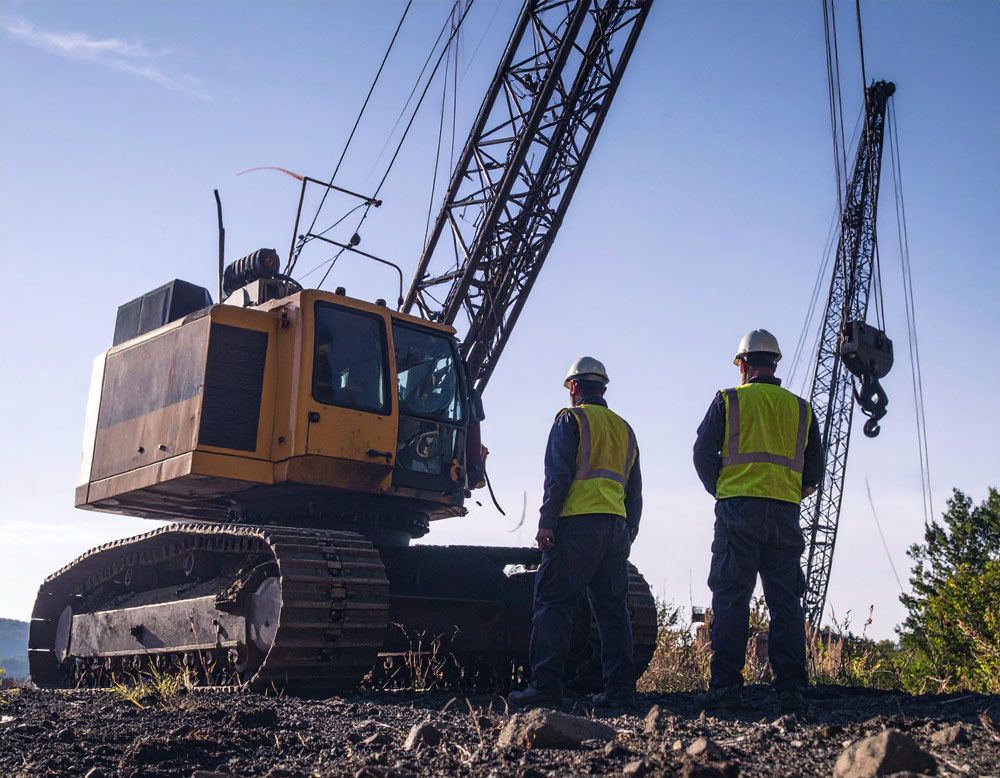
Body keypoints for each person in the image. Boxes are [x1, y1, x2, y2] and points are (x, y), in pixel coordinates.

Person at [692, 329, 823, 714]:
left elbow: (702, 453)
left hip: (738, 511)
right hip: (784, 513)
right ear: (775, 364)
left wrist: (724, 488)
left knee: (732, 596)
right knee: (785, 602)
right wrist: (789, 492)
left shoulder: (729, 400)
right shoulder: (800, 408)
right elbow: (814, 469)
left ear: (743, 365)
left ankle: (727, 688)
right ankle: (790, 691)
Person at [508, 357, 642, 709]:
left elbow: (558, 476)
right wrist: (629, 530)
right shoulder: (624, 428)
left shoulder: (571, 420)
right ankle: (620, 691)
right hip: (615, 527)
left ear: (573, 387)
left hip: (577, 526)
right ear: (604, 388)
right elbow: (635, 489)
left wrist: (547, 522)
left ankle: (545, 687)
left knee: (553, 603)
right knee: (613, 612)